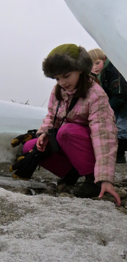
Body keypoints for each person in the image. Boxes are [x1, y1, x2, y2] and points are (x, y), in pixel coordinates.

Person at [22, 43, 121, 205]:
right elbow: (51, 117)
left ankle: (92, 179)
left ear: (80, 69)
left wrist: (105, 178)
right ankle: (72, 174)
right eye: (57, 78)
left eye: (66, 76)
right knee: (31, 147)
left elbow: (104, 137)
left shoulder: (96, 95)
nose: (62, 82)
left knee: (67, 131)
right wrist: (44, 133)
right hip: (70, 145)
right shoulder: (58, 90)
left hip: (89, 149)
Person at [88, 48, 127, 163]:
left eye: (97, 63)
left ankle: (120, 155)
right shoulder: (97, 75)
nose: (94, 67)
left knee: (121, 128)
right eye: (91, 65)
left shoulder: (113, 72)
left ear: (104, 59)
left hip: (124, 104)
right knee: (113, 127)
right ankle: (116, 153)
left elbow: (120, 94)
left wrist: (106, 108)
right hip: (114, 103)